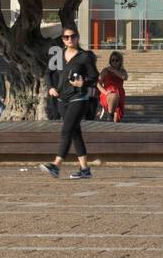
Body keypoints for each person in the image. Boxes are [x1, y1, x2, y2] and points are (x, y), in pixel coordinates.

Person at [39, 27, 98, 180]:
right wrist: (51, 87)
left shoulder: (85, 56)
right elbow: (47, 73)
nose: (69, 39)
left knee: (66, 131)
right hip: (61, 100)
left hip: (79, 99)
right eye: (66, 37)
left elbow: (94, 77)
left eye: (72, 36)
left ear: (77, 37)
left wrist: (83, 83)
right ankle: (85, 169)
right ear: (63, 39)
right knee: (74, 133)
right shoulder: (57, 54)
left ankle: (56, 165)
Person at [97, 51, 128, 122]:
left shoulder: (122, 71)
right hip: (107, 93)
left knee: (116, 121)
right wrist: (105, 92)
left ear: (120, 61)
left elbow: (124, 77)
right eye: (112, 60)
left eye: (116, 60)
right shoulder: (105, 71)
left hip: (119, 94)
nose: (114, 62)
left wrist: (113, 70)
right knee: (113, 96)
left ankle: (111, 118)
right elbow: (98, 83)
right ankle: (109, 116)